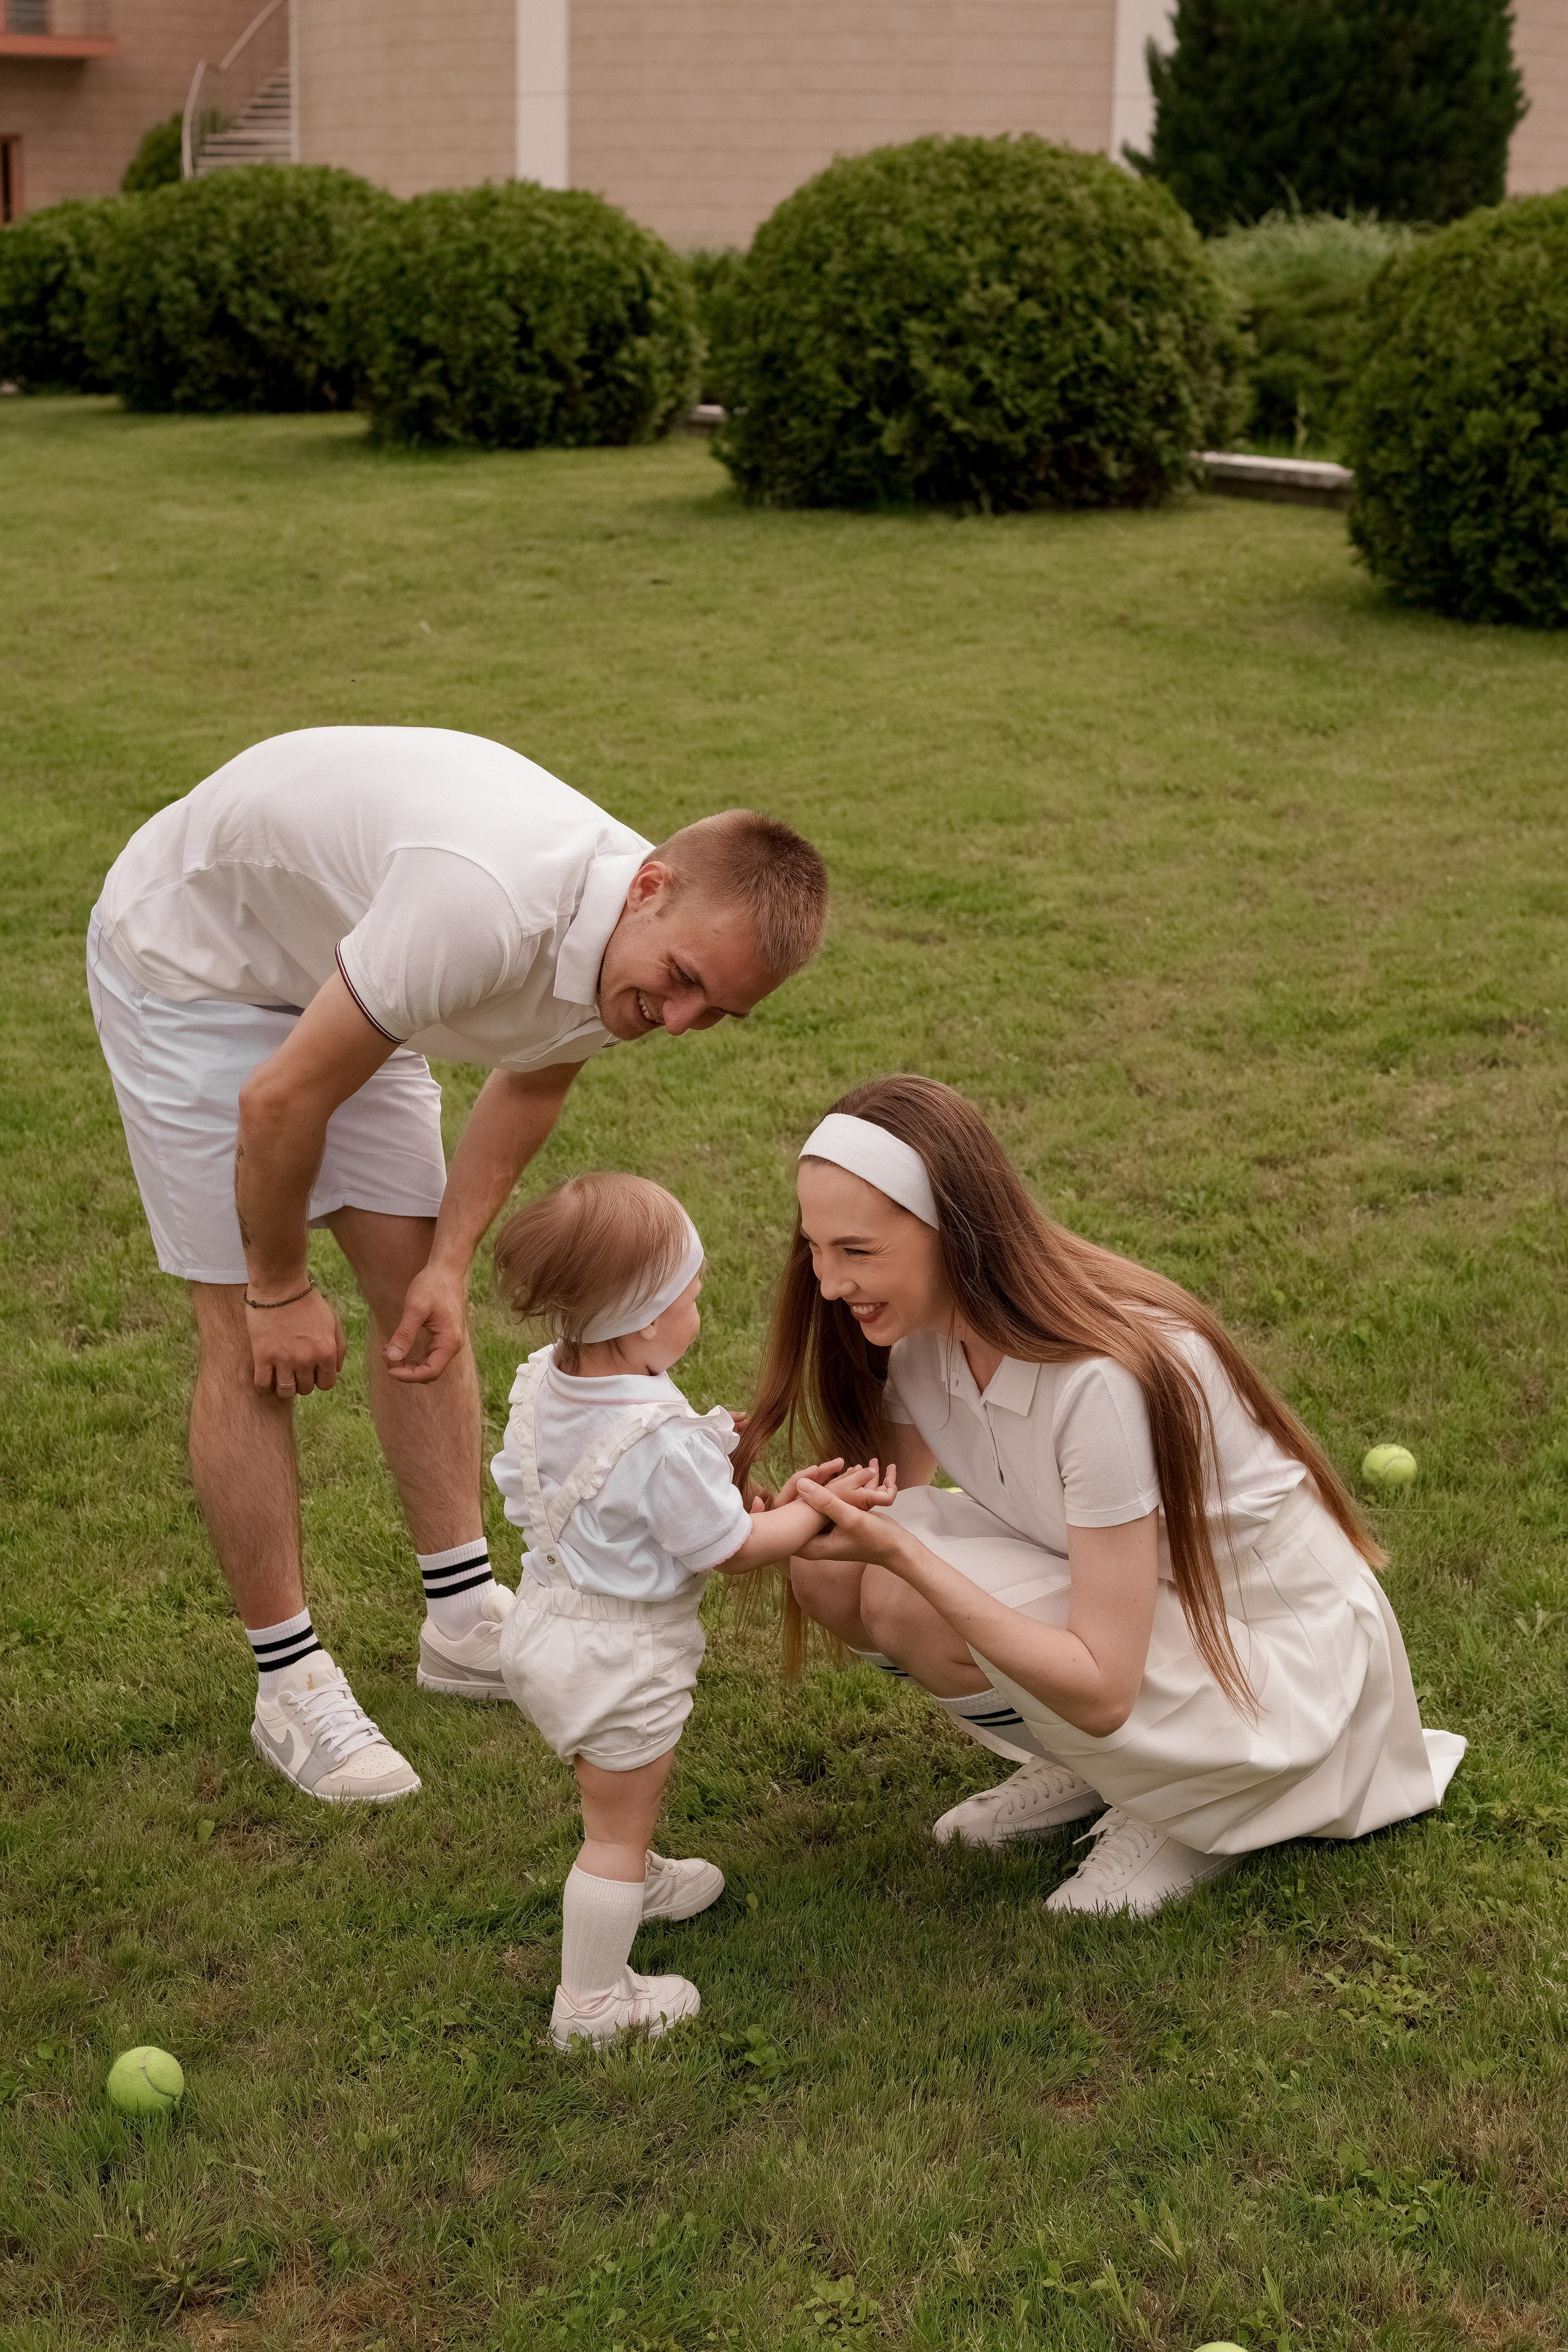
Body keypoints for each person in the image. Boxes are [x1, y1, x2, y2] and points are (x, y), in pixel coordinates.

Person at [86, 726, 828, 1806]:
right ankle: (289, 1680)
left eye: (716, 1012)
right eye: (680, 985)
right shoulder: (483, 908)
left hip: (344, 960)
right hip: (194, 960)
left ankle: (461, 1615)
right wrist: (279, 1290)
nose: (678, 1022)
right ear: (650, 889)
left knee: (418, 1311)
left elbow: (532, 1079)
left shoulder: (648, 946)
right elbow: (280, 1101)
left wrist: (447, 1262)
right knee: (246, 1346)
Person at [736, 1076, 1466, 1918]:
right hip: (1154, 1617)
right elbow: (869, 1514)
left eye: (856, 1252)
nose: (827, 1284)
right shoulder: (924, 1351)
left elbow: (1104, 1685)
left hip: (1282, 1670)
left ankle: (1189, 1806)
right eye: (816, 1249)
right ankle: (1105, 1769)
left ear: (954, 1230)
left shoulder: (1098, 1382)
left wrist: (899, 1551)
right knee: (837, 1578)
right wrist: (734, 1520)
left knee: (906, 1585)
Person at [488, 1172, 893, 2048]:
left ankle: (640, 1875)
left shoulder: (548, 1381)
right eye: (692, 1296)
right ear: (643, 1322)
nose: (700, 1310)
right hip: (618, 1657)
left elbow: (616, 1504)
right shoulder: (658, 1435)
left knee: (613, 1782)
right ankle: (592, 2004)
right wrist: (814, 1510)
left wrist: (731, 1477)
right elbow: (731, 1546)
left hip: (544, 1625)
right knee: (611, 1825)